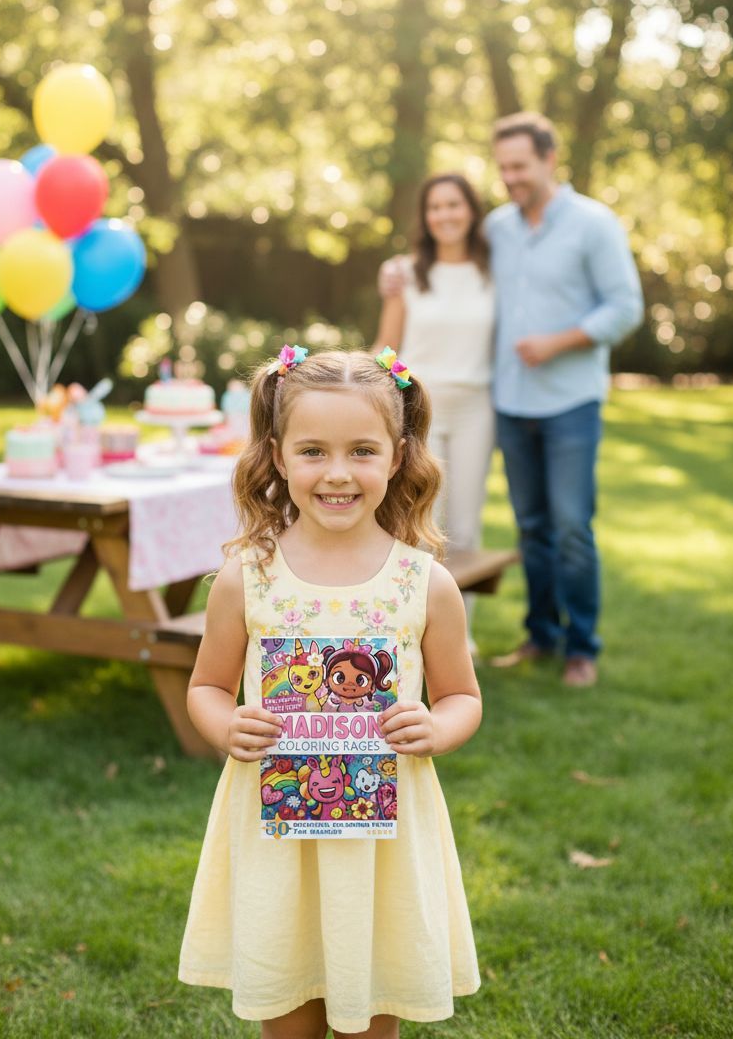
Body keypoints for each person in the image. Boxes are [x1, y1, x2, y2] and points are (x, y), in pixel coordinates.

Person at [178, 346, 482, 1039]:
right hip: (277, 836)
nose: (338, 473)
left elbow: (463, 695)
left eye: (362, 451)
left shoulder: (423, 582)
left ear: (399, 456)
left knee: (370, 1012)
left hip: (382, 840)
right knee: (286, 1006)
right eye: (313, 451)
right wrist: (224, 726)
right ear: (278, 456)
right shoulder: (247, 577)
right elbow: (206, 685)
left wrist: (439, 726)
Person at [485, 113, 643, 686]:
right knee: (531, 528)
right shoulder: (497, 228)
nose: (511, 177)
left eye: (520, 166)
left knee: (573, 527)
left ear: (550, 160)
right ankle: (541, 635)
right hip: (510, 400)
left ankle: (583, 647)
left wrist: (559, 341)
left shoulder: (593, 224)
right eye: (503, 167)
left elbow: (626, 307)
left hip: (571, 401)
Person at [374, 173, 495, 654]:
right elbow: (386, 350)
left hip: (476, 408)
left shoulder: (494, 272)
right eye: (436, 207)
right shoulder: (404, 273)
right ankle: (411, 634)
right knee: (423, 521)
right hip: (420, 408)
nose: (445, 215)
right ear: (425, 217)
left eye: (455, 205)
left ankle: (459, 641)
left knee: (465, 526)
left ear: (471, 211)